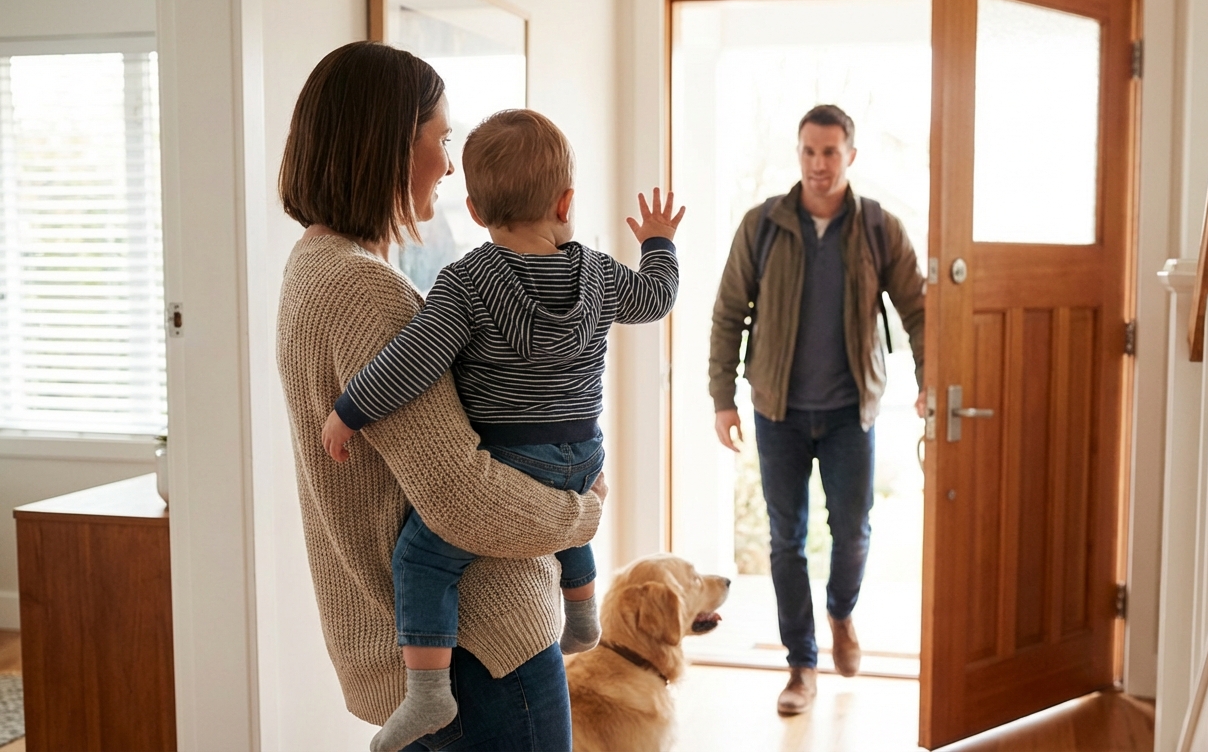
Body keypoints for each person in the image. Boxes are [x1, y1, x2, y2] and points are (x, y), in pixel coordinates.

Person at [321, 108, 684, 750]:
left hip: (514, 461)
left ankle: (428, 693)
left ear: (475, 208)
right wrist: (659, 244)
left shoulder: (468, 283)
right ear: (566, 201)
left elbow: (412, 360)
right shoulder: (597, 273)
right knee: (570, 507)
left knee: (421, 558)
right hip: (582, 455)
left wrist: (350, 411)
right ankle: (579, 613)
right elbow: (656, 298)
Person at [276, 42, 604, 752]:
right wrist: (581, 514)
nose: (452, 165)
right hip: (486, 647)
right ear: (389, 146)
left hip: (437, 646)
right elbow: (462, 495)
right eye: (442, 139)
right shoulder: (364, 289)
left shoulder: (312, 265)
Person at [708, 104, 927, 715]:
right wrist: (722, 397)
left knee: (853, 533)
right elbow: (728, 314)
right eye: (809, 151)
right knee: (786, 541)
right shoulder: (763, 226)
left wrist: (930, 380)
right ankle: (801, 665)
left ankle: (841, 614)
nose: (819, 164)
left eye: (831, 152)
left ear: (850, 156)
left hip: (849, 412)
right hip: (777, 410)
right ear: (798, 153)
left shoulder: (880, 228)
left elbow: (919, 311)